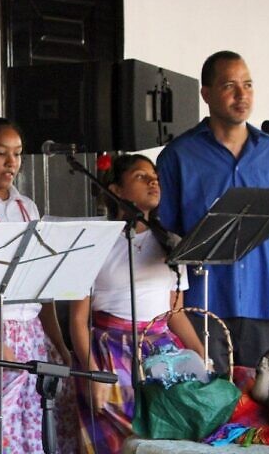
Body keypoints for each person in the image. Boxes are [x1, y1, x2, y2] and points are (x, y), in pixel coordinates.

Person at [157, 50, 269, 372]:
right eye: (230, 85)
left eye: (248, 85)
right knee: (208, 405)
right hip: (201, 306)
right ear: (207, 94)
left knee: (263, 404)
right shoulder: (178, 156)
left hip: (261, 302)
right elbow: (164, 235)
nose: (242, 95)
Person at [70, 153, 204, 454]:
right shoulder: (95, 243)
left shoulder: (170, 244)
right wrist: (92, 371)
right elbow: (78, 320)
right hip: (109, 352)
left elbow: (174, 312)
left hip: (160, 352)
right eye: (141, 177)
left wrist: (197, 350)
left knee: (164, 439)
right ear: (116, 190)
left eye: (154, 176)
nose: (153, 181)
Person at [0, 107, 73, 453]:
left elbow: (43, 292)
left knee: (39, 434)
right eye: (0, 153)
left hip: (34, 338)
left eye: (18, 154)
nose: (12, 163)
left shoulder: (29, 207)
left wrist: (60, 345)